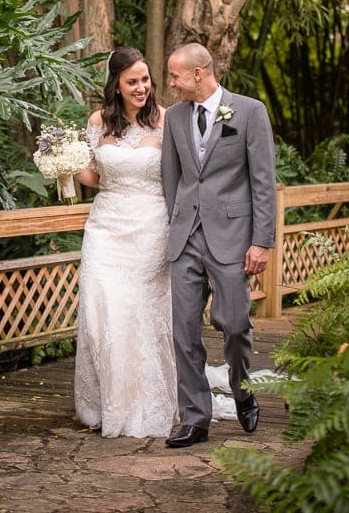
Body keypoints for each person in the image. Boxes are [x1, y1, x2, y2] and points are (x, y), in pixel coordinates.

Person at [161, 42, 276, 448]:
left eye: (176, 75)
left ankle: (241, 387)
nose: (171, 84)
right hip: (187, 237)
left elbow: (263, 181)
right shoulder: (173, 117)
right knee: (184, 330)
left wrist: (261, 241)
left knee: (234, 323)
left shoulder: (249, 111)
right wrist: (177, 224)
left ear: (198, 73)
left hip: (232, 237)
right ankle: (195, 418)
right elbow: (171, 178)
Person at [73, 47, 177, 438]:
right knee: (101, 310)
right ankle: (99, 402)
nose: (141, 88)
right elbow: (96, 176)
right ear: (115, 84)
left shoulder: (167, 119)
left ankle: (145, 399)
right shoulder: (98, 121)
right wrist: (63, 164)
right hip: (106, 225)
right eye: (132, 81)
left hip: (151, 225)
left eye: (145, 80)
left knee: (139, 312)